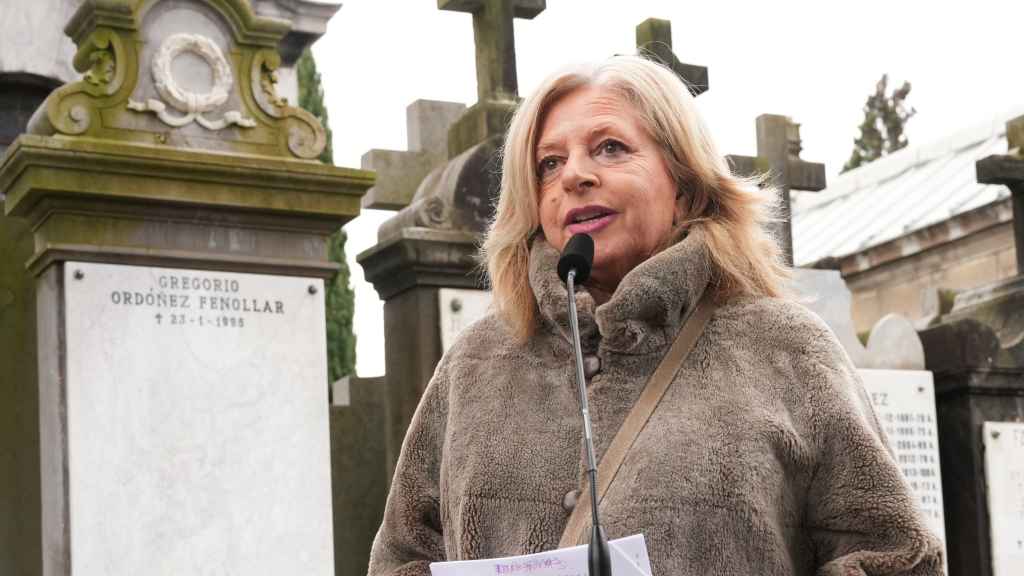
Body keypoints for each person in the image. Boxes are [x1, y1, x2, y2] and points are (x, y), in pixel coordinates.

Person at [367, 55, 943, 576]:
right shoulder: (477, 361)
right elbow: (401, 558)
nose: (573, 175)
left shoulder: (787, 350)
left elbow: (900, 559)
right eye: (548, 163)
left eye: (611, 147)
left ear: (686, 189)